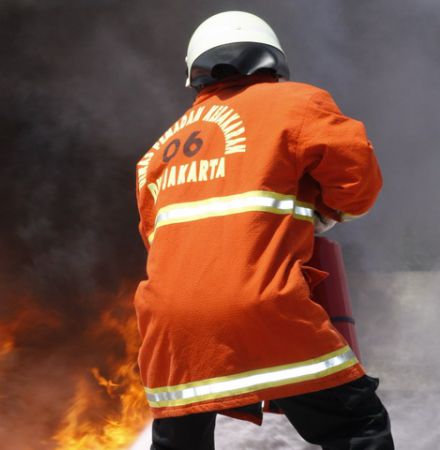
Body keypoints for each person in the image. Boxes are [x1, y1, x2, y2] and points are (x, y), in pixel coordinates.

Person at [133, 11, 394, 450]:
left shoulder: (158, 151)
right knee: (357, 427)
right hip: (264, 310)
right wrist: (323, 211)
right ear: (271, 59)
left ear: (196, 72)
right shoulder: (298, 104)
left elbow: (158, 240)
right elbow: (357, 181)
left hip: (169, 332)